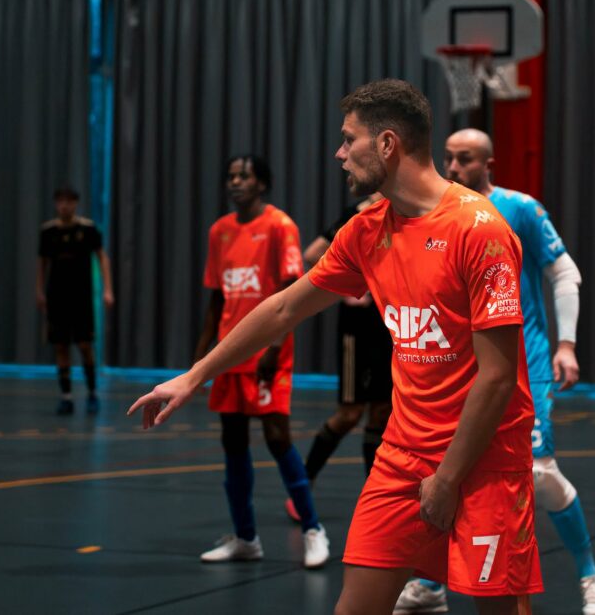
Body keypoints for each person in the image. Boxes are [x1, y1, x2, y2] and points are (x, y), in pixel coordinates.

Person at [129, 80, 541, 615]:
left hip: (483, 461)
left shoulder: (479, 230)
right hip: (403, 457)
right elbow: (282, 309)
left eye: (350, 140)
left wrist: (448, 477)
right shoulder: (366, 231)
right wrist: (195, 374)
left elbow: (497, 377)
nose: (339, 153)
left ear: (388, 144)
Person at [392, 129, 595, 615]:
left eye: (465, 159)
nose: (453, 167)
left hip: (520, 366)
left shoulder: (519, 210)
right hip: (454, 372)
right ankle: (433, 582)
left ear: (488, 163)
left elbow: (564, 273)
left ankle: (589, 573)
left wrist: (567, 346)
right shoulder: (431, 212)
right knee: (443, 470)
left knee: (539, 473)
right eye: (447, 158)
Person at [191, 154, 329, 569]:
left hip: (268, 348)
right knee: (232, 441)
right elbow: (216, 298)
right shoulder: (220, 231)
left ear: (262, 184)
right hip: (229, 349)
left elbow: (290, 291)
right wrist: (200, 362)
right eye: (231, 175)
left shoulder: (279, 226)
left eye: (244, 176)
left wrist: (274, 347)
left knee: (276, 437)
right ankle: (246, 537)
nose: (235, 182)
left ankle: (313, 528)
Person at [285, 192, 393, 521]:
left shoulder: (404, 212)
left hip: (388, 324)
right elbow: (313, 253)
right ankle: (304, 483)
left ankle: (374, 498)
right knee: (349, 414)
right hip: (356, 330)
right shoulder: (357, 214)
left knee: (380, 413)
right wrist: (350, 284)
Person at [37, 185, 114, 416]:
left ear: (76, 204)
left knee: (84, 345)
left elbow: (102, 258)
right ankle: (66, 396)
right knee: (61, 346)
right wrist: (39, 290)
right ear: (55, 204)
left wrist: (107, 289)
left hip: (80, 297)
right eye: (60, 201)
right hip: (57, 297)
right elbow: (41, 263)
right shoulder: (48, 232)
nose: (65, 206)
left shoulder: (88, 230)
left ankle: (92, 393)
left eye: (69, 201)